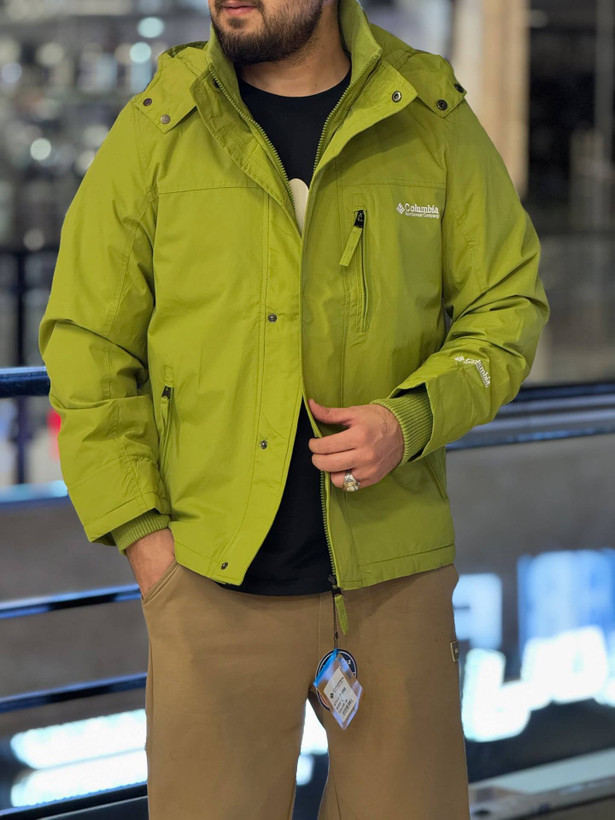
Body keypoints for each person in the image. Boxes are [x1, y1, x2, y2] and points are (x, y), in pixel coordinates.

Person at [38, 0, 550, 816]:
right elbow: (85, 343)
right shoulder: (159, 127)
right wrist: (143, 539)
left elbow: (507, 308)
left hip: (394, 582)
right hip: (208, 584)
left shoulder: (427, 114)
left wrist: (411, 419)